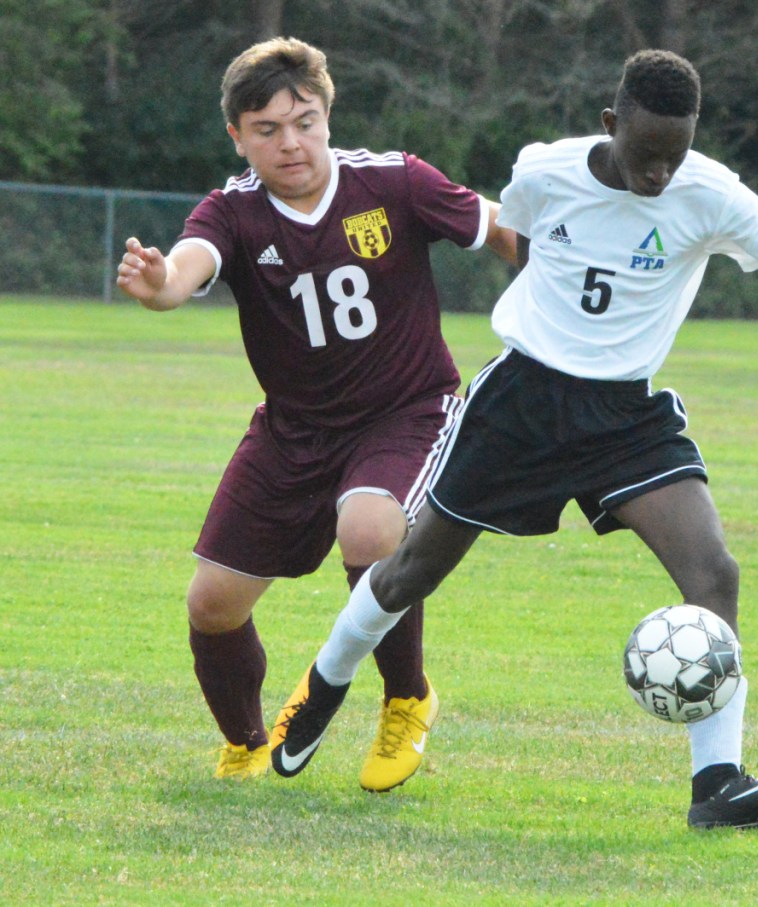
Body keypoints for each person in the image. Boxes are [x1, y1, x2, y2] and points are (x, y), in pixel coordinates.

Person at [269, 50, 758, 827]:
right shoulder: (544, 169)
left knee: (714, 574)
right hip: (523, 403)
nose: (660, 174)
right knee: (410, 571)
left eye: (675, 156)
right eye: (646, 155)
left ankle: (719, 785)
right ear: (612, 124)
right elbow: (529, 243)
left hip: (627, 418)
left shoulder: (712, 194)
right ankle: (325, 682)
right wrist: (558, 326)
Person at [116, 37, 516, 787]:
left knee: (368, 526)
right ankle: (245, 742)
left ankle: (407, 698)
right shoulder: (232, 212)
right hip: (293, 428)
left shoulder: (395, 181)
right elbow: (184, 270)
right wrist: (160, 281)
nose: (289, 142)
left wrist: (563, 281)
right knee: (212, 604)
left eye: (304, 121)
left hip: (407, 409)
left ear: (328, 115)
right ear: (236, 135)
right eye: (266, 129)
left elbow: (498, 230)